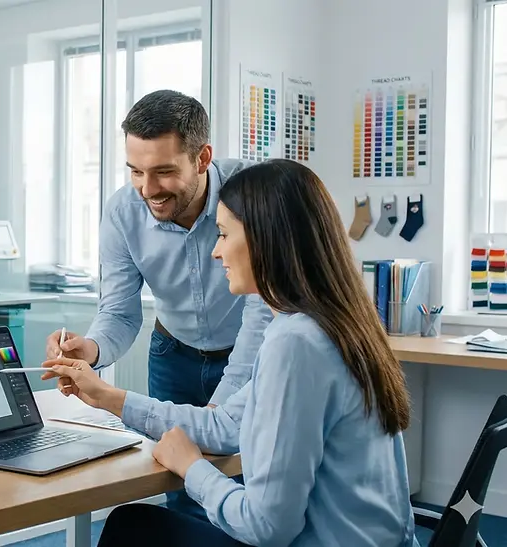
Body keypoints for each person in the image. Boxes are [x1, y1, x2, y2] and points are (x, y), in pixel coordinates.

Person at [42, 160, 419, 547]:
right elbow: (227, 426)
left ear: (265, 239)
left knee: (134, 527)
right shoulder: (336, 324)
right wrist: (107, 397)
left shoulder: (295, 343)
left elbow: (266, 527)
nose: (216, 252)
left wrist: (192, 468)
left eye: (223, 235)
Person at [45, 89, 272, 515]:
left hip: (248, 351)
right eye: (135, 171)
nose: (148, 189)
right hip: (173, 354)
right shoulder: (122, 212)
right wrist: (89, 350)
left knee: (248, 478)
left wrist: (218, 414)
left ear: (203, 158)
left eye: (164, 172)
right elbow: (118, 310)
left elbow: (262, 314)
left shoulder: (249, 196)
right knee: (179, 483)